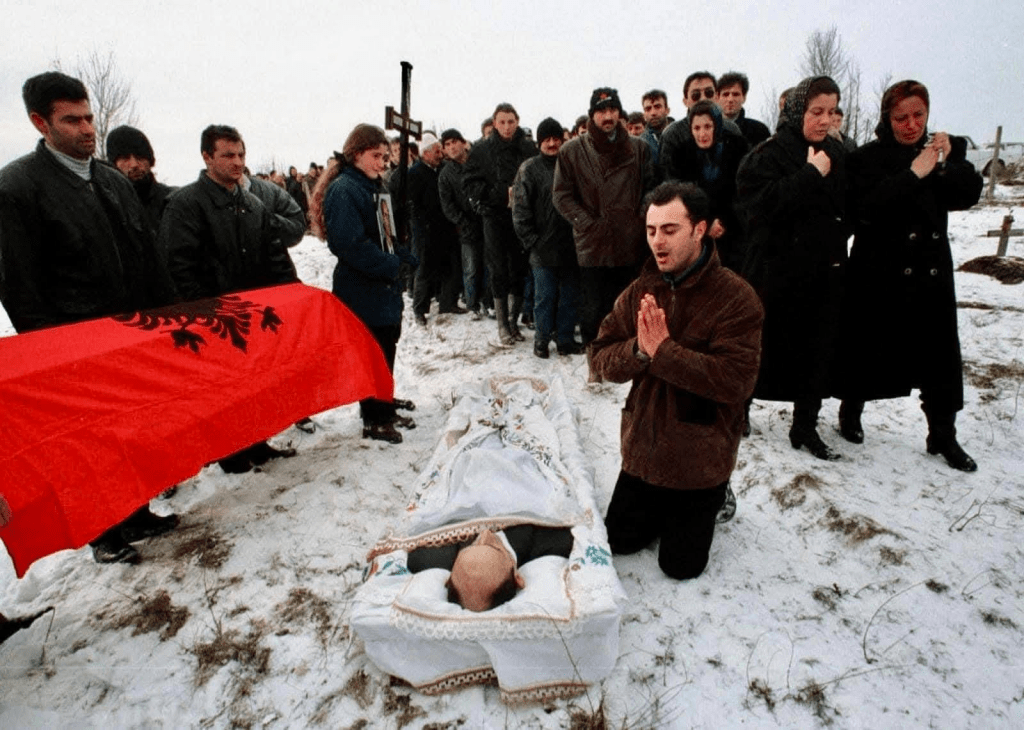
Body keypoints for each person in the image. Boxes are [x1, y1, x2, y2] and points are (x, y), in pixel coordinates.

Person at [0, 71, 179, 564]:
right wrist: (49, 354)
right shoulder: (18, 188)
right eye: (71, 120)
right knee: (89, 445)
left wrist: (166, 321)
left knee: (131, 431)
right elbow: (19, 283)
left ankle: (137, 512)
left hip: (128, 334)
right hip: (71, 345)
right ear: (40, 123)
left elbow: (146, 256)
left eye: (89, 117)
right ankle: (104, 532)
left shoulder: (112, 179)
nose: (86, 129)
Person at [589, 182, 763, 579]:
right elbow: (601, 356)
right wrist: (640, 350)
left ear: (699, 230)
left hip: (699, 460)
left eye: (669, 230)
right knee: (619, 541)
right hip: (644, 453)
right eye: (651, 231)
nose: (657, 242)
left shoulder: (736, 298)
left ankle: (716, 496)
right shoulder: (641, 289)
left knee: (680, 567)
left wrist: (664, 352)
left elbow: (737, 381)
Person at [838, 80, 983, 472]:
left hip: (930, 270)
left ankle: (943, 434)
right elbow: (863, 208)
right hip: (878, 270)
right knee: (864, 349)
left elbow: (969, 193)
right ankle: (850, 412)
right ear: (887, 117)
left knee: (939, 357)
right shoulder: (866, 158)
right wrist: (913, 175)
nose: (911, 124)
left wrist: (946, 162)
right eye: (901, 117)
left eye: (918, 115)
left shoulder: (941, 150)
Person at [159, 124, 299, 472]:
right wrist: (201, 316)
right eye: (228, 155)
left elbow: (276, 256)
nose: (237, 162)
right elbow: (178, 267)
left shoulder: (253, 204)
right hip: (211, 318)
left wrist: (291, 299)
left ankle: (258, 441)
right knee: (222, 391)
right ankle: (230, 452)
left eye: (241, 155)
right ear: (207, 157)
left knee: (256, 383)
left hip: (252, 314)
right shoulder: (185, 205)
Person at [736, 76, 849, 460]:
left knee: (817, 351)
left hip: (823, 272)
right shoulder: (766, 155)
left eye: (831, 111)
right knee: (759, 347)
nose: (825, 119)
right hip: (775, 272)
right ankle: (740, 410)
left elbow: (847, 208)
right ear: (798, 111)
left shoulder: (838, 152)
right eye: (816, 111)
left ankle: (805, 426)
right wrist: (809, 175)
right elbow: (758, 207)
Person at [309, 124, 419, 444]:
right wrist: (391, 265)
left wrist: (403, 255)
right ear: (356, 155)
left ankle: (383, 403)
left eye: (386, 156)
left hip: (384, 288)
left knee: (386, 347)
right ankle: (374, 417)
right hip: (362, 288)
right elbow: (349, 244)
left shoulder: (374, 187)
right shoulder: (345, 190)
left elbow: (385, 235)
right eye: (376, 156)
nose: (383, 163)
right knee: (371, 352)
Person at [553, 88, 655, 362]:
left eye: (612, 110)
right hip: (593, 243)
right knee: (593, 308)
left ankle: (627, 359)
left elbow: (651, 189)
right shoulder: (572, 151)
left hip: (629, 241)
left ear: (620, 113)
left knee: (628, 303)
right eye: (601, 111)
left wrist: (638, 220)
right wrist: (586, 223)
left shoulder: (639, 148)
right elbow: (561, 195)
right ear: (592, 115)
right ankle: (595, 362)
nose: (607, 116)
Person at [463, 102, 537, 345]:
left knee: (519, 268)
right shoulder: (481, 150)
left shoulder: (528, 148)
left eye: (511, 122)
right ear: (494, 124)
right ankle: (502, 325)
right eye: (502, 122)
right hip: (494, 216)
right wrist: (499, 194)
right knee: (497, 269)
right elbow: (471, 184)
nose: (507, 127)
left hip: (522, 217)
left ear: (518, 122)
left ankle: (514, 322)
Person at [512, 117, 580, 359]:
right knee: (544, 297)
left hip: (570, 245)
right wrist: (531, 241)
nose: (552, 144)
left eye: (556, 139)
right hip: (542, 247)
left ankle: (565, 339)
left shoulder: (572, 165)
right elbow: (519, 210)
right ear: (540, 142)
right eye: (547, 140)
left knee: (569, 297)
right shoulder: (529, 169)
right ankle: (541, 340)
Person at [408, 525, 573, 612]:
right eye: (495, 546)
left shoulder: (424, 558)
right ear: (518, 578)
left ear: (447, 579)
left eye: (473, 545)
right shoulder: (553, 541)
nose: (485, 533)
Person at [667, 100, 750, 273]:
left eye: (708, 126)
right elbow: (683, 195)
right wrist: (707, 223)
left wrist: (723, 221)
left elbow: (742, 192)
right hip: (698, 231)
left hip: (733, 231)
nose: (702, 133)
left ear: (717, 126)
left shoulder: (736, 148)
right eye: (697, 128)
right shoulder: (683, 154)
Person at [406, 132, 463, 324]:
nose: (441, 153)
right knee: (424, 271)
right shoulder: (415, 173)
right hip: (426, 231)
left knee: (449, 267)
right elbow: (415, 206)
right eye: (437, 150)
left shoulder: (441, 169)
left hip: (445, 228)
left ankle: (448, 303)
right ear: (426, 153)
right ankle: (420, 310)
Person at [659, 72, 744, 183]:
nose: (703, 98)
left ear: (717, 96)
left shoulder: (732, 129)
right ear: (685, 101)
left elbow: (741, 177)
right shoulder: (673, 134)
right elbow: (668, 180)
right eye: (695, 95)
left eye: (709, 93)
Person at [438, 128, 488, 318]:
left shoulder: (478, 160)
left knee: (490, 264)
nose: (452, 148)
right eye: (447, 145)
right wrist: (462, 222)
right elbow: (447, 205)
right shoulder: (446, 174)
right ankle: (472, 303)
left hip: (487, 219)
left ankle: (487, 301)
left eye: (454, 142)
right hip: (467, 226)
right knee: (471, 267)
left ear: (462, 142)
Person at [106, 125, 177, 238]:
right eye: (125, 158)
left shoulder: (173, 202)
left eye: (140, 157)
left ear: (150, 160)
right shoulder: (107, 207)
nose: (134, 165)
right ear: (114, 164)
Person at [716, 72, 771, 146]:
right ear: (717, 98)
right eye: (725, 94)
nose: (730, 99)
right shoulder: (707, 131)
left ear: (744, 97)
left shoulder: (759, 131)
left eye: (735, 94)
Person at [639, 89, 672, 167]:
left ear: (667, 110)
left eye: (657, 107)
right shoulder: (641, 144)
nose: (653, 113)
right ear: (644, 115)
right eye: (648, 109)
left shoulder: (682, 133)